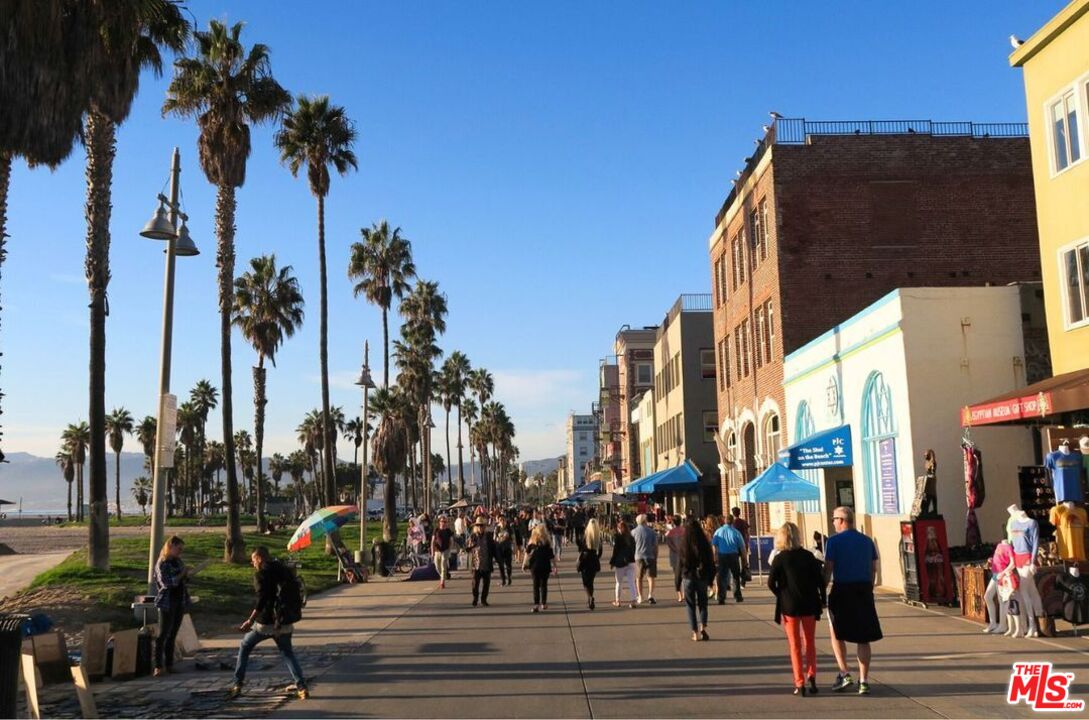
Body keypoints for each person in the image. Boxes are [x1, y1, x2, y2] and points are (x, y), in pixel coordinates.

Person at [229, 547, 308, 699]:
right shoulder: (284, 570)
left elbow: (262, 600)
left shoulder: (261, 575)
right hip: (285, 621)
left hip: (265, 624)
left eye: (253, 560)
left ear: (259, 558)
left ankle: (237, 683)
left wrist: (250, 620)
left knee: (245, 646)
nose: (252, 564)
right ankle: (302, 687)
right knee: (287, 653)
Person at [824, 506, 882, 695]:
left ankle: (844, 672)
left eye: (834, 519)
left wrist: (822, 589)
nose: (833, 522)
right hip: (863, 589)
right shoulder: (867, 541)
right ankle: (864, 680)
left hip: (842, 589)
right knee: (863, 637)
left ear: (841, 520)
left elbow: (828, 568)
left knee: (836, 631)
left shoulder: (833, 542)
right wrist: (869, 587)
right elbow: (874, 568)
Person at [768, 522, 826, 697]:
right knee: (810, 642)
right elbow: (820, 581)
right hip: (809, 604)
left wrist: (781, 593)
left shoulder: (780, 558)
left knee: (795, 645)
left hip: (789, 606)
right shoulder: (809, 557)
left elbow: (771, 583)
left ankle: (799, 683)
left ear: (781, 537)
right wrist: (823, 599)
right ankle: (812, 676)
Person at [152, 535, 191, 677]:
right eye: (178, 549)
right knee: (163, 633)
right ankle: (158, 665)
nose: (180, 552)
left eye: (182, 549)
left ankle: (169, 664)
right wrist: (181, 574)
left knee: (173, 634)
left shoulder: (178, 561)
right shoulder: (163, 563)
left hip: (179, 600)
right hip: (167, 602)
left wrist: (186, 575)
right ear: (171, 547)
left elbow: (183, 579)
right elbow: (167, 583)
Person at [679, 517, 715, 642]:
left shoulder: (684, 543)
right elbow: (710, 561)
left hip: (688, 576)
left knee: (690, 605)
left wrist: (678, 582)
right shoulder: (704, 543)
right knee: (703, 603)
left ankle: (694, 632)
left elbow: (680, 564)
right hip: (702, 576)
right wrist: (711, 579)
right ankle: (703, 627)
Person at [712, 515, 746, 603]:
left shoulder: (718, 532)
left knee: (721, 577)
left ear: (724, 521)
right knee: (735, 576)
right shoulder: (736, 532)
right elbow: (742, 548)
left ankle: (721, 597)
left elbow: (714, 545)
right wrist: (744, 560)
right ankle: (737, 596)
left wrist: (715, 556)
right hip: (733, 555)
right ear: (732, 522)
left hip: (722, 555)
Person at [524, 524, 557, 612]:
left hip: (535, 566)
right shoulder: (547, 542)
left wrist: (524, 564)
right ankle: (543, 603)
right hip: (545, 566)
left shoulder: (532, 541)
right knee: (544, 585)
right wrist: (555, 567)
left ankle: (536, 604)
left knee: (536, 585)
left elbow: (526, 554)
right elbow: (552, 556)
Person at [466, 517, 497, 607]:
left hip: (486, 563)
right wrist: (470, 546)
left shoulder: (488, 536)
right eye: (478, 526)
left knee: (486, 584)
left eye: (482, 526)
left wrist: (497, 559)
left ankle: (484, 600)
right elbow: (467, 549)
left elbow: (493, 549)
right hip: (476, 564)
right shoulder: (473, 536)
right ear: (476, 527)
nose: (480, 527)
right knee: (475, 584)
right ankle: (475, 598)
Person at [610, 518, 638, 608]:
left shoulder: (617, 537)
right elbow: (634, 550)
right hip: (631, 561)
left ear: (619, 528)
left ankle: (618, 601)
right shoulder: (631, 538)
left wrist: (612, 562)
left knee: (619, 582)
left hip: (620, 562)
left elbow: (615, 551)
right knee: (631, 582)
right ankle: (634, 600)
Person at [632, 513, 659, 605]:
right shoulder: (652, 532)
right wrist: (656, 556)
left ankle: (640, 596)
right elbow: (655, 546)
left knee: (639, 578)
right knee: (650, 577)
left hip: (638, 557)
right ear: (645, 521)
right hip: (650, 556)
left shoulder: (634, 532)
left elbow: (632, 546)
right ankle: (650, 595)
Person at [577, 518, 604, 610]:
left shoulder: (585, 535)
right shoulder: (598, 536)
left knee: (585, 582)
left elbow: (581, 547)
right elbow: (600, 551)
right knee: (591, 581)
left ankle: (590, 597)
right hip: (594, 559)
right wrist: (597, 558)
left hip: (585, 559)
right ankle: (590, 598)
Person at [664, 515, 687, 603]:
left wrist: (676, 550)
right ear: (681, 521)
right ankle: (685, 594)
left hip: (674, 556)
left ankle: (680, 595)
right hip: (684, 555)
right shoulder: (685, 531)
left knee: (676, 576)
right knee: (685, 575)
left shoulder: (670, 532)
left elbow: (669, 544)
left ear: (673, 522)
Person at [431, 515, 454, 589]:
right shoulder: (436, 530)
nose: (443, 523)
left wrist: (449, 550)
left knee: (443, 564)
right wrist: (432, 552)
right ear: (439, 522)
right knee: (437, 566)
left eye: (445, 521)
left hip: (445, 550)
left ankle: (442, 582)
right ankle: (443, 576)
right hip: (437, 550)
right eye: (442, 521)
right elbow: (433, 541)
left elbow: (451, 541)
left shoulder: (448, 531)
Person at [494, 517, 514, 586]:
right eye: (500, 520)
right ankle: (503, 580)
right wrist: (499, 538)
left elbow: (513, 538)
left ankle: (509, 578)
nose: (502, 521)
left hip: (507, 548)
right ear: (499, 521)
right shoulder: (497, 528)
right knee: (501, 565)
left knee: (508, 565)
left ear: (505, 521)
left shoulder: (509, 528)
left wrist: (514, 547)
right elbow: (494, 538)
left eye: (503, 520)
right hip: (499, 549)